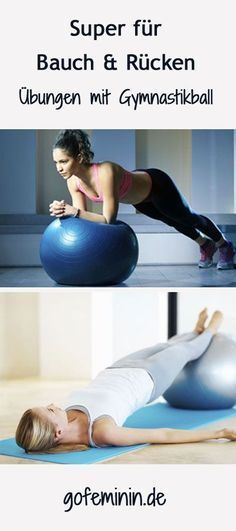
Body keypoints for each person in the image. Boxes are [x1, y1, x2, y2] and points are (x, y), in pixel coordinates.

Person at [15, 309, 236, 453]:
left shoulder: (67, 415)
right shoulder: (102, 432)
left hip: (118, 367)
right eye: (49, 411)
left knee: (166, 345)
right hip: (151, 377)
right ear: (58, 433)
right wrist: (219, 433)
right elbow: (162, 434)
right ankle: (210, 331)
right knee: (186, 350)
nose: (52, 405)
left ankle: (195, 330)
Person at [49, 130, 234, 270]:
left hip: (157, 185)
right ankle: (206, 245)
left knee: (188, 217)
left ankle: (224, 245)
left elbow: (108, 220)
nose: (58, 168)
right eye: (56, 162)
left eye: (63, 161)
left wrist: (73, 211)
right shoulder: (73, 182)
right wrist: (64, 211)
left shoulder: (105, 171)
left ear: (79, 158)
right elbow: (84, 220)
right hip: (139, 200)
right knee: (170, 220)